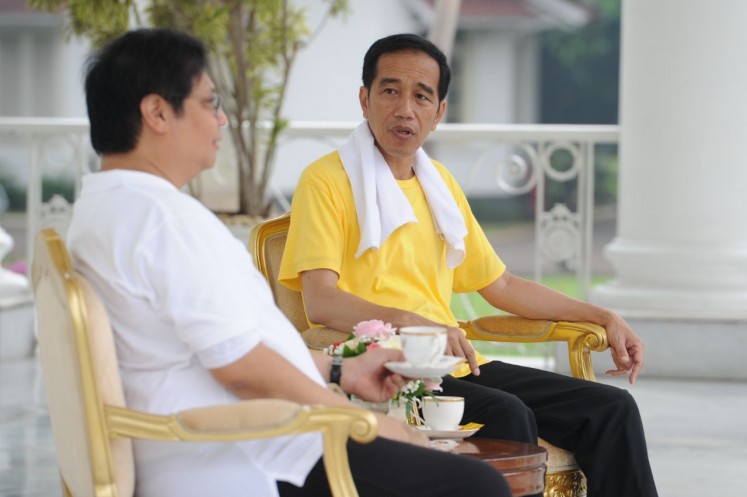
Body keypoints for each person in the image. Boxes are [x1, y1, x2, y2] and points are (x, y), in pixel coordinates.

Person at [67, 29, 512, 497]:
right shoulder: (162, 221)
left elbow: (235, 347)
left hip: (230, 438)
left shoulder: (107, 208)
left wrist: (341, 371)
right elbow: (242, 368)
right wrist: (356, 419)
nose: (221, 120)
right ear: (157, 112)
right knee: (476, 484)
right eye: (208, 103)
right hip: (253, 451)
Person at [278, 33, 659, 497]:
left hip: (452, 366)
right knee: (507, 412)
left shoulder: (439, 185)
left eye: (421, 96)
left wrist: (603, 316)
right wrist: (416, 326)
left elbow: (500, 285)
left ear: (438, 113)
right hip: (387, 370)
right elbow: (320, 300)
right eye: (390, 90)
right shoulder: (326, 181)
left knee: (610, 408)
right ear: (364, 99)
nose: (404, 109)